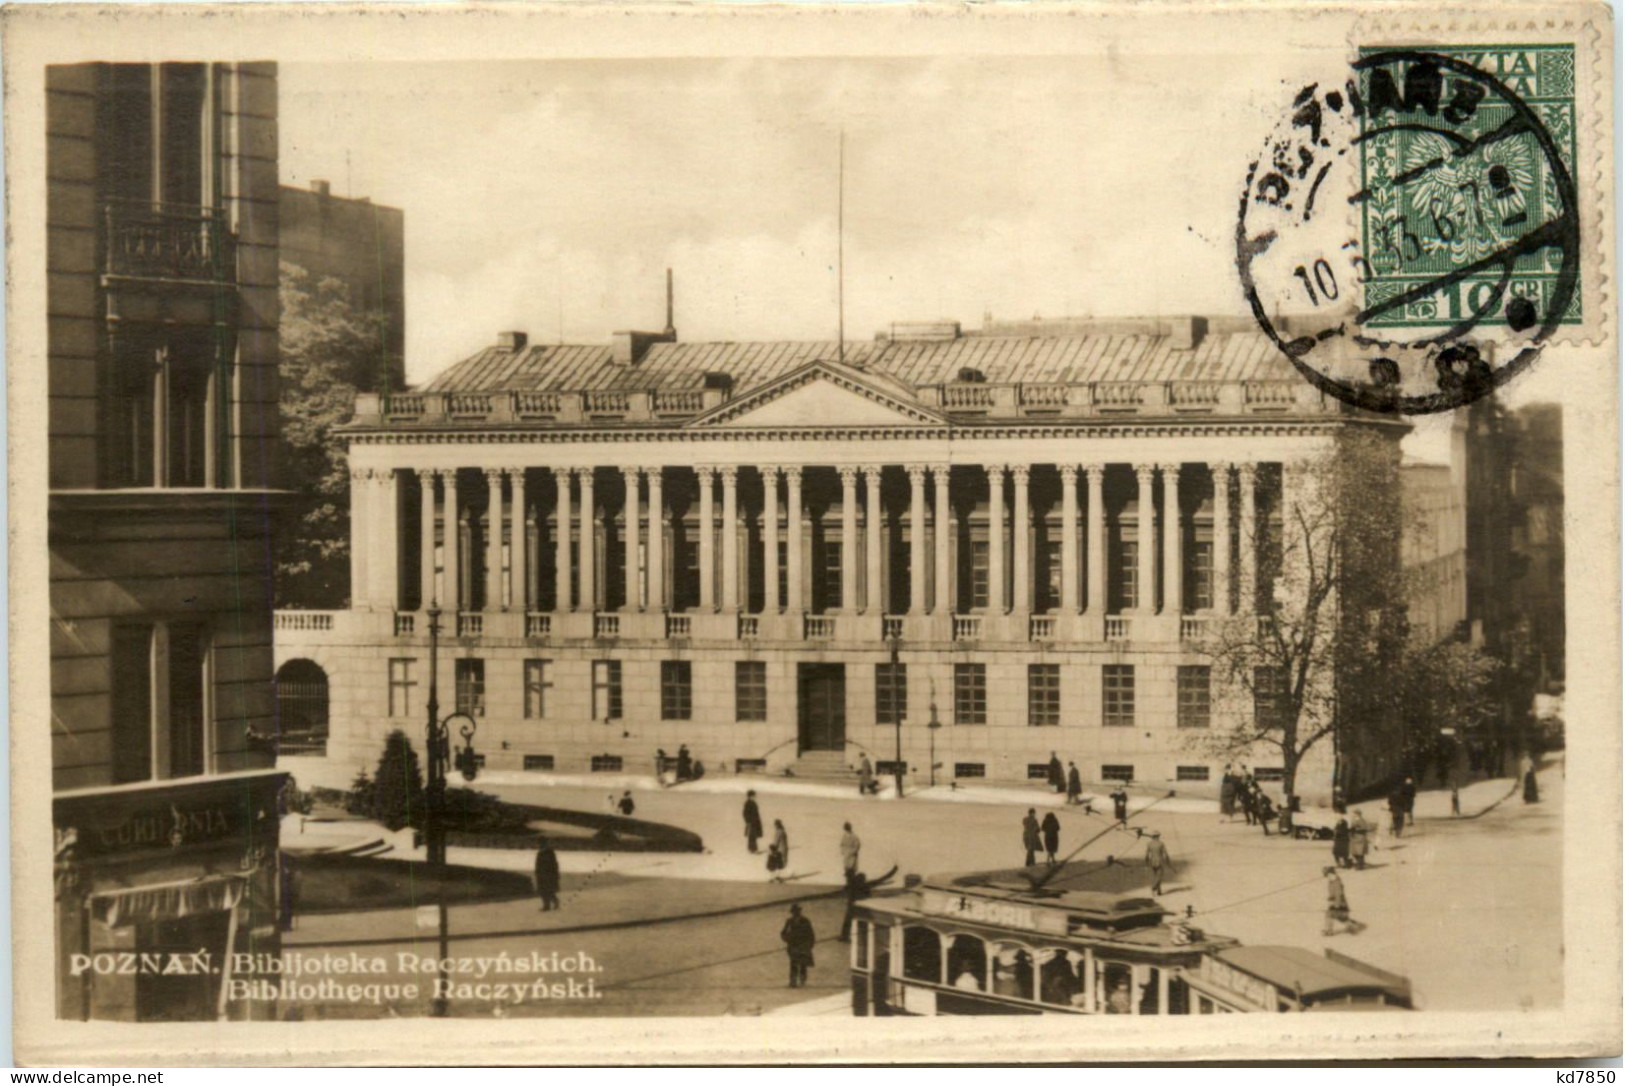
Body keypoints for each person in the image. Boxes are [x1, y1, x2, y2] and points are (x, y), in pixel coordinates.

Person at [839, 865, 898, 942]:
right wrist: (894, 870)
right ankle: (867, 939)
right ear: (863, 879)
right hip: (863, 907)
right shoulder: (866, 885)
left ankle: (844, 937)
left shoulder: (851, 884)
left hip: (852, 907)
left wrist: (849, 869)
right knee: (867, 923)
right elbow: (883, 878)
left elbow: (849, 876)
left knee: (848, 922)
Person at [780, 903, 816, 988]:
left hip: (803, 944)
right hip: (793, 945)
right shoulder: (789, 921)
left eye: (797, 911)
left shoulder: (805, 920)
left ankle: (802, 980)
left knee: (803, 963)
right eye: (794, 912)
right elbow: (783, 932)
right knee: (793, 963)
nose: (796, 913)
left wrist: (810, 944)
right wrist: (787, 939)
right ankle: (793, 981)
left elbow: (810, 933)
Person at [1322, 866, 1363, 936]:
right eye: (1326, 875)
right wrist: (1330, 899)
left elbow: (1339, 894)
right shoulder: (1332, 881)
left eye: (1328, 875)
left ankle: (1329, 931)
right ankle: (1353, 927)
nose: (1327, 877)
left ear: (1332, 873)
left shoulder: (1336, 882)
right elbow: (1332, 893)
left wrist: (1337, 905)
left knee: (1331, 915)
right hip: (1335, 903)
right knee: (1340, 918)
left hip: (1340, 904)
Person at [533, 835, 561, 911]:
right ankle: (547, 905)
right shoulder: (541, 852)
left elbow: (554, 864)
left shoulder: (549, 852)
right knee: (543, 891)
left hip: (548, 874)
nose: (539, 844)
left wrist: (555, 873)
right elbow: (538, 864)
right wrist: (537, 872)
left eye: (540, 843)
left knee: (548, 890)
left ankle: (554, 902)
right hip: (542, 874)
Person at [1144, 831, 1170, 895]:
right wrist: (1168, 860)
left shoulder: (1149, 844)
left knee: (1154, 876)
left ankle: (1159, 891)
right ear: (1158, 836)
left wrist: (1146, 861)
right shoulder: (1161, 843)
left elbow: (1147, 854)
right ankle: (1154, 887)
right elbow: (1165, 853)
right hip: (1159, 861)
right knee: (1159, 876)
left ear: (1152, 837)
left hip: (1152, 861)